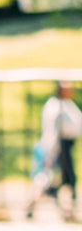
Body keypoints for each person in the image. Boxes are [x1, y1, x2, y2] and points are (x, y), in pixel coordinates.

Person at [27, 81, 81, 221]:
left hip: (66, 147)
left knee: (64, 181)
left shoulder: (67, 104)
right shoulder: (55, 107)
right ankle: (31, 206)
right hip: (56, 148)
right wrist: (51, 152)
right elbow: (53, 132)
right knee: (47, 180)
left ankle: (67, 211)